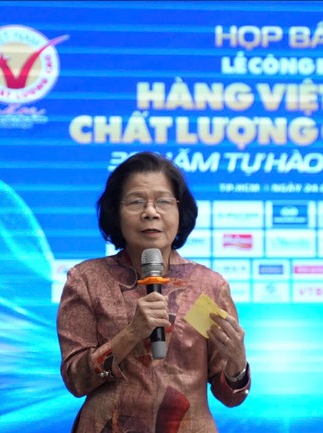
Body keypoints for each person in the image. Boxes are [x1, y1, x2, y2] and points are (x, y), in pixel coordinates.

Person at [57, 151, 250, 433]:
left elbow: (230, 397)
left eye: (163, 201)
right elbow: (76, 381)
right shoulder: (87, 279)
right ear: (116, 213)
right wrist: (131, 333)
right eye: (136, 201)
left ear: (180, 212)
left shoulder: (206, 286)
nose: (150, 212)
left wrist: (237, 363)